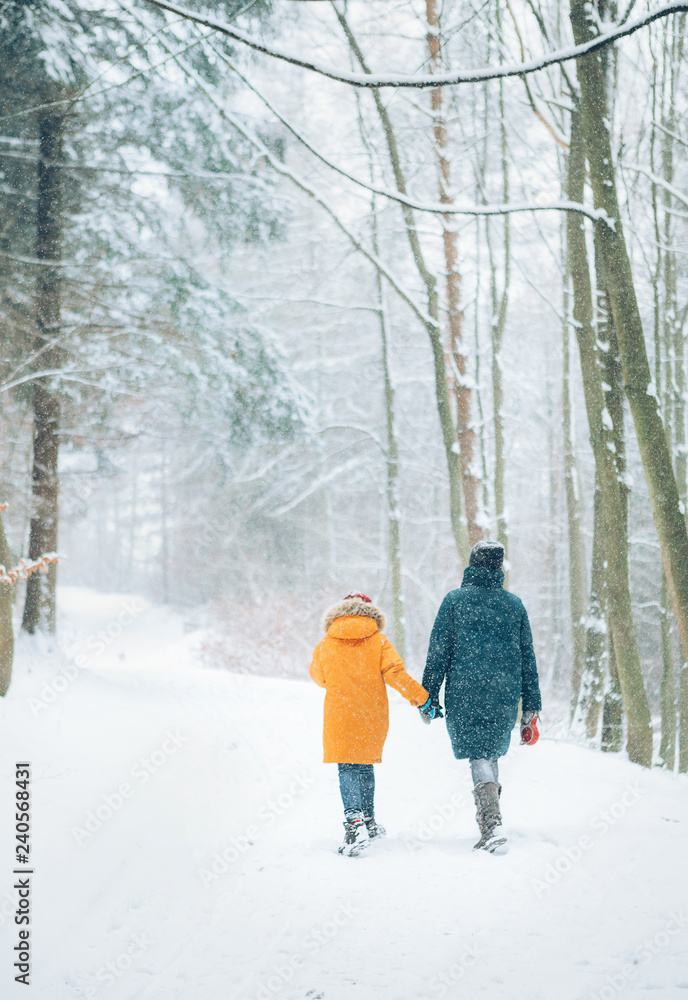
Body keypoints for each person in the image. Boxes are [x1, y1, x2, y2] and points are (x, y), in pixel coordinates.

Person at [420, 541, 541, 853]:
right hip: (504, 692)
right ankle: (491, 819)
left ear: (472, 565)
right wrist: (531, 705)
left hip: (466, 688)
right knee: (489, 753)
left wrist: (428, 694)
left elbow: (438, 651)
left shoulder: (455, 601)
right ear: (498, 568)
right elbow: (528, 658)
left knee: (479, 753)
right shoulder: (514, 605)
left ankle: (492, 825)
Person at [310, 592, 430, 856]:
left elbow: (319, 677)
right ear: (369, 612)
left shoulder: (326, 644)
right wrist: (422, 699)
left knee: (347, 766)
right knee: (364, 765)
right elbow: (396, 674)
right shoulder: (379, 641)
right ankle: (369, 822)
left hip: (340, 715)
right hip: (370, 715)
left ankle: (354, 825)